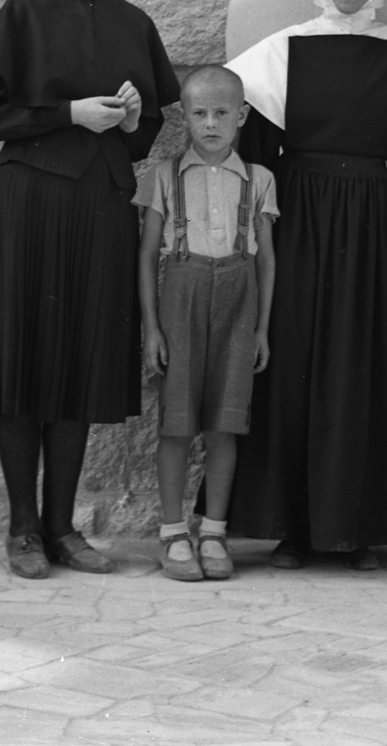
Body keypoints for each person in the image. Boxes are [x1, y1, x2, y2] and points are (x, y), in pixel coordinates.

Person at [0, 0, 180, 580]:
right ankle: (23, 530)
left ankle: (62, 529)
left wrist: (131, 114)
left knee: (79, 357)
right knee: (27, 359)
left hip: (102, 205)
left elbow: (144, 137)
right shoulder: (22, 13)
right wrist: (68, 114)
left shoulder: (133, 22)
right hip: (32, 203)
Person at [220, 0, 387, 570]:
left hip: (375, 225)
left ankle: (358, 527)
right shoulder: (282, 49)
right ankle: (291, 528)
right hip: (299, 221)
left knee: (363, 363)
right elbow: (259, 155)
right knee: (293, 361)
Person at [135, 66, 278, 582]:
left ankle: (214, 530)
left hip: (239, 303)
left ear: (241, 116)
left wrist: (261, 329)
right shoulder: (164, 176)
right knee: (177, 425)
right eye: (199, 113)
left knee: (225, 425)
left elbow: (266, 262)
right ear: (184, 117)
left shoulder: (260, 180)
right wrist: (152, 329)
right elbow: (149, 254)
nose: (211, 123)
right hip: (180, 301)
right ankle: (173, 533)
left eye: (222, 113)